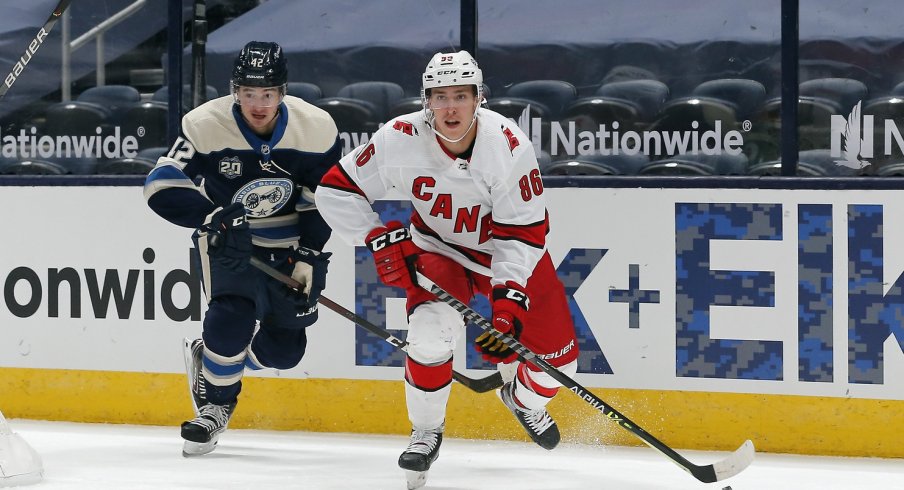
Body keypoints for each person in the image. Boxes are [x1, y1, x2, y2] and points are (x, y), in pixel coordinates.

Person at [314, 51, 580, 485]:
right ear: (426, 102)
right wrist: (376, 236)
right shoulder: (399, 137)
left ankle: (522, 400)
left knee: (559, 366)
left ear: (480, 98)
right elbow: (336, 191)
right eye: (440, 97)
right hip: (439, 250)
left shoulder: (508, 147)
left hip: (505, 255)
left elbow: (523, 236)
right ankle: (425, 431)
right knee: (430, 333)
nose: (450, 107)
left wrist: (508, 305)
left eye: (461, 95)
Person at [143, 41, 341, 456]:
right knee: (230, 317)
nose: (258, 103)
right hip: (230, 242)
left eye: (267, 94)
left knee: (286, 351)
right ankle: (215, 405)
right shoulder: (204, 124)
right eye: (249, 93)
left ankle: (217, 365)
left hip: (291, 243)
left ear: (282, 91)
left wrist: (308, 253)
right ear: (235, 90)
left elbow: (324, 199)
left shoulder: (318, 127)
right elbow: (160, 183)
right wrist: (212, 216)